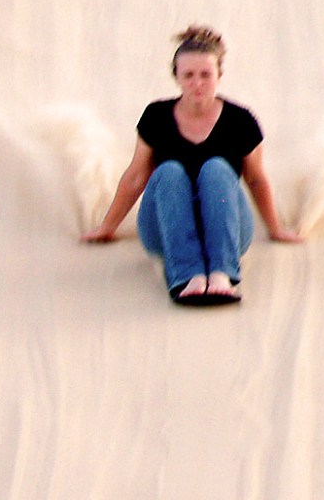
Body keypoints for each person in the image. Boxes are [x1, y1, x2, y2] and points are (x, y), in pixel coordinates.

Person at [83, 25, 301, 304]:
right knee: (168, 171)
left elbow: (256, 179)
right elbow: (136, 177)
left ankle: (222, 274)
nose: (197, 83)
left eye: (205, 75)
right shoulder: (156, 117)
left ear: (219, 75)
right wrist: (107, 227)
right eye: (188, 75)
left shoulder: (240, 120)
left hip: (228, 230)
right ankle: (188, 277)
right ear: (176, 77)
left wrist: (276, 228)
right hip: (165, 228)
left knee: (217, 168)